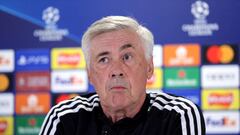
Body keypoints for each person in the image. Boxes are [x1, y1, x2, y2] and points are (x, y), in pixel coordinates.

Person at [39, 16, 205, 135]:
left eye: (127, 57)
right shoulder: (65, 117)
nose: (116, 70)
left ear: (149, 66)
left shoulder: (178, 115)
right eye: (104, 59)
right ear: (90, 74)